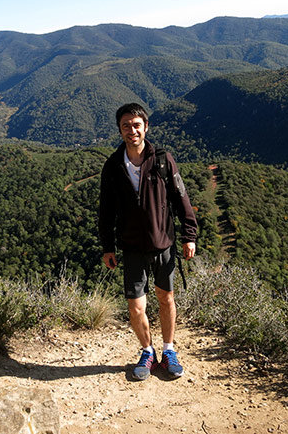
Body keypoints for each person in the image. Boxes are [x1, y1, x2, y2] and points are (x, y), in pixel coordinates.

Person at [98, 102, 198, 380]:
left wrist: (190, 236)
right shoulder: (113, 166)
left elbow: (182, 200)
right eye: (126, 126)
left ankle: (169, 350)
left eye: (136, 125)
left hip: (163, 243)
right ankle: (147, 351)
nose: (132, 130)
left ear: (146, 127)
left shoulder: (164, 160)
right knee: (135, 306)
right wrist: (108, 246)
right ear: (120, 130)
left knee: (166, 299)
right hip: (131, 247)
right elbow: (106, 210)